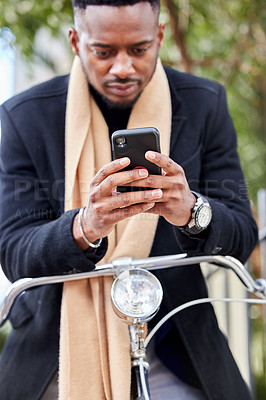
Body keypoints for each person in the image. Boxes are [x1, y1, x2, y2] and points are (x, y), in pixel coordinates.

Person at [0, 0, 258, 399]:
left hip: (177, 347)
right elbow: (15, 252)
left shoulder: (205, 104)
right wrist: (84, 227)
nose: (122, 68)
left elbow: (241, 236)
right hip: (56, 351)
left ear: (158, 37)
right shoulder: (24, 116)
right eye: (103, 52)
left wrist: (192, 211)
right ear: (75, 41)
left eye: (138, 49)